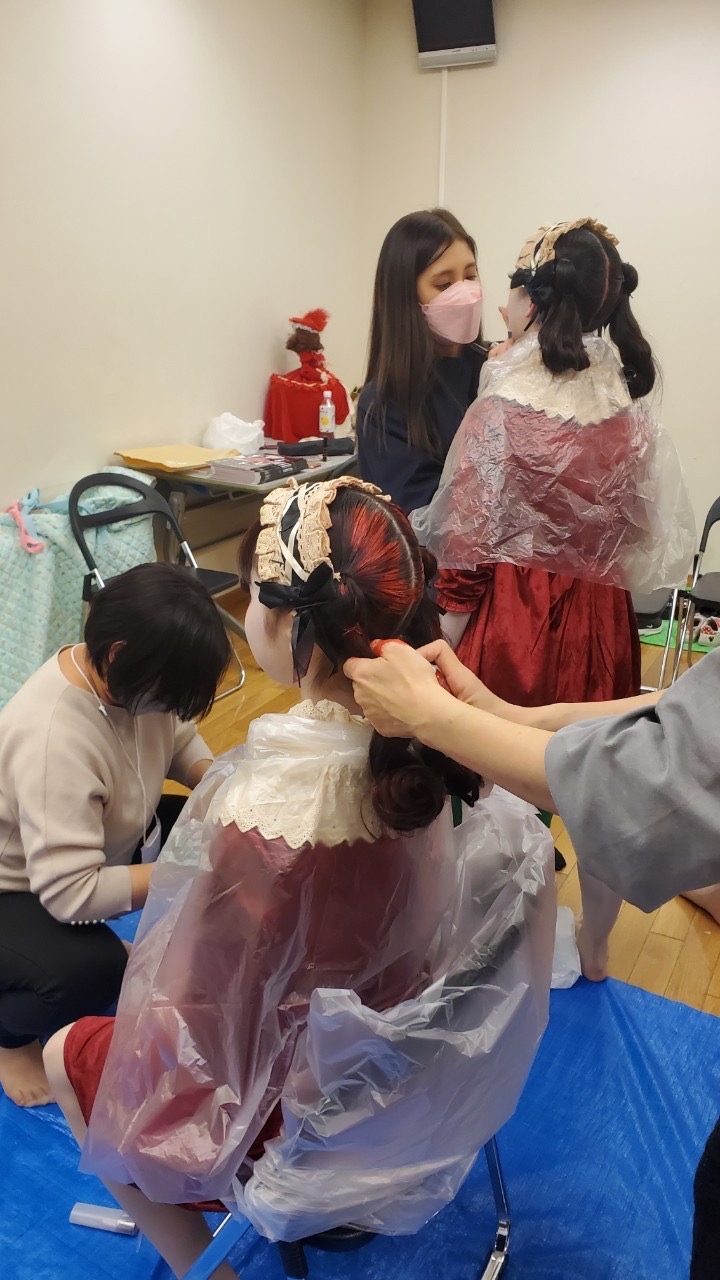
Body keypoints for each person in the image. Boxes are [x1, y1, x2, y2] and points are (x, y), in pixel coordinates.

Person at [44, 477, 555, 1280]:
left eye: (251, 594)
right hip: (397, 1082)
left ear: (292, 625)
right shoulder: (444, 755)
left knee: (61, 1053)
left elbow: (198, 1019)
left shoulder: (266, 819)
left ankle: (209, 1270)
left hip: (300, 1127)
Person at [342, 637, 720, 1280]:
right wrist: (510, 718)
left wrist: (440, 718)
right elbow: (683, 712)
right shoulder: (511, 844)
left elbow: (656, 777)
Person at [412, 218, 695, 706]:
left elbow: (466, 555)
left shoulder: (502, 409)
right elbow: (638, 535)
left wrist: (442, 652)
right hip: (603, 627)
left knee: (509, 748)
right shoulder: (626, 408)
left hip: (517, 631)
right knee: (586, 747)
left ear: (531, 302)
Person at [0, 562, 230, 1108]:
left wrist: (214, 781)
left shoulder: (131, 678)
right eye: (169, 695)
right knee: (94, 975)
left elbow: (177, 733)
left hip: (101, 842)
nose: (170, 709)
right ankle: (8, 1037)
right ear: (118, 655)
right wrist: (184, 870)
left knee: (228, 832)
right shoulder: (54, 737)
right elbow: (69, 893)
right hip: (21, 887)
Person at [357, 207, 486, 515]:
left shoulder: (493, 370)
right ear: (406, 298)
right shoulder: (384, 405)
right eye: (444, 285)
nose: (465, 293)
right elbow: (428, 520)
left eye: (470, 276)